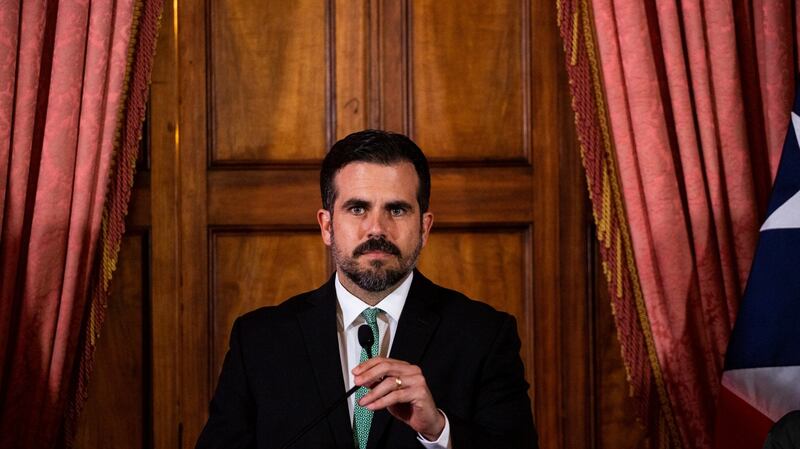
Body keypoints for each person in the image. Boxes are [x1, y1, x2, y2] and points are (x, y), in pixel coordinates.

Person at [196, 130, 537, 449]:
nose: (377, 228)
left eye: (397, 209)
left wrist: (438, 431)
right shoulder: (258, 340)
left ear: (424, 227)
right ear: (327, 226)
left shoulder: (484, 335)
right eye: (357, 208)